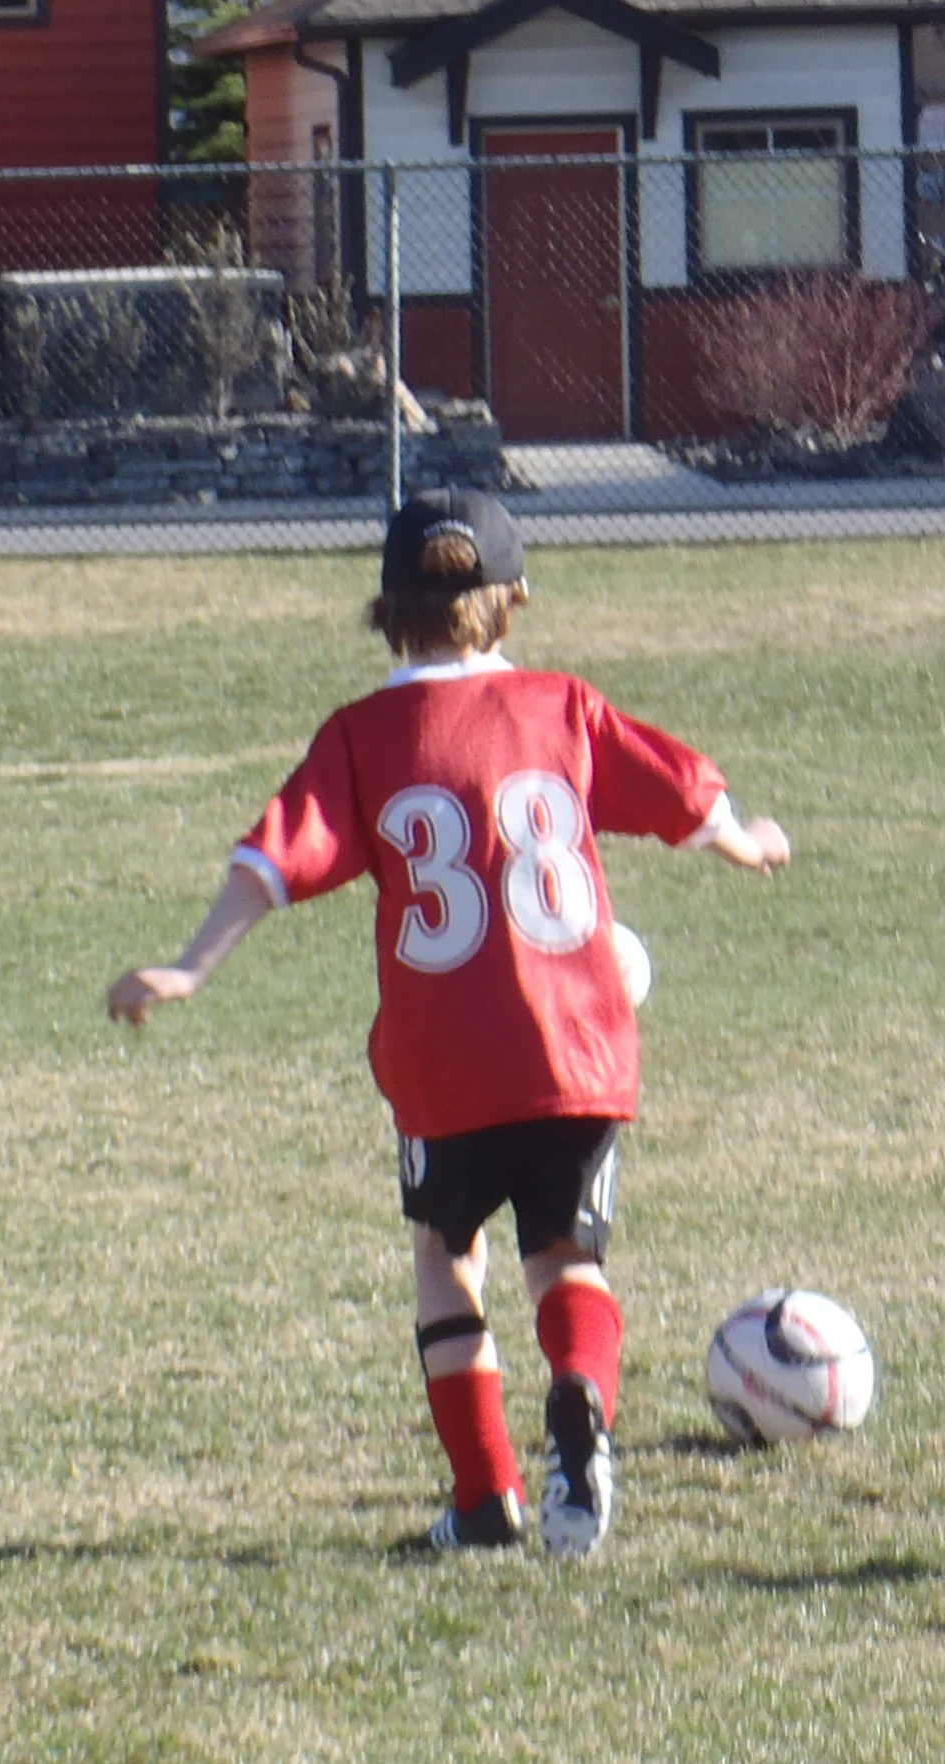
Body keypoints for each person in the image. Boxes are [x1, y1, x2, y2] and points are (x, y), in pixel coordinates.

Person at [108, 491, 787, 1560]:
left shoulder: (361, 737)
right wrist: (743, 840)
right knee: (566, 1261)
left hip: (441, 1065)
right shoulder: (561, 707)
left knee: (445, 1258)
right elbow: (678, 795)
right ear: (509, 603)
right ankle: (577, 1418)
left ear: (385, 613)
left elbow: (271, 860)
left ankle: (483, 1501)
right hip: (575, 1050)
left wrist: (190, 967)